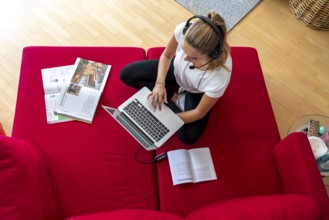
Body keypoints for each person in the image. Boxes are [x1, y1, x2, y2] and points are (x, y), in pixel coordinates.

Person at [120, 11, 232, 144]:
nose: (185, 58)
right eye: (184, 50)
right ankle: (173, 96)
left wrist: (166, 119)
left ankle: (174, 99)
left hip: (197, 91)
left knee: (188, 136)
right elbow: (167, 56)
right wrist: (159, 84)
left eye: (194, 58)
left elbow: (198, 113)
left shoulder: (220, 76)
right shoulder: (182, 29)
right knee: (126, 74)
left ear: (213, 55)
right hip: (175, 70)